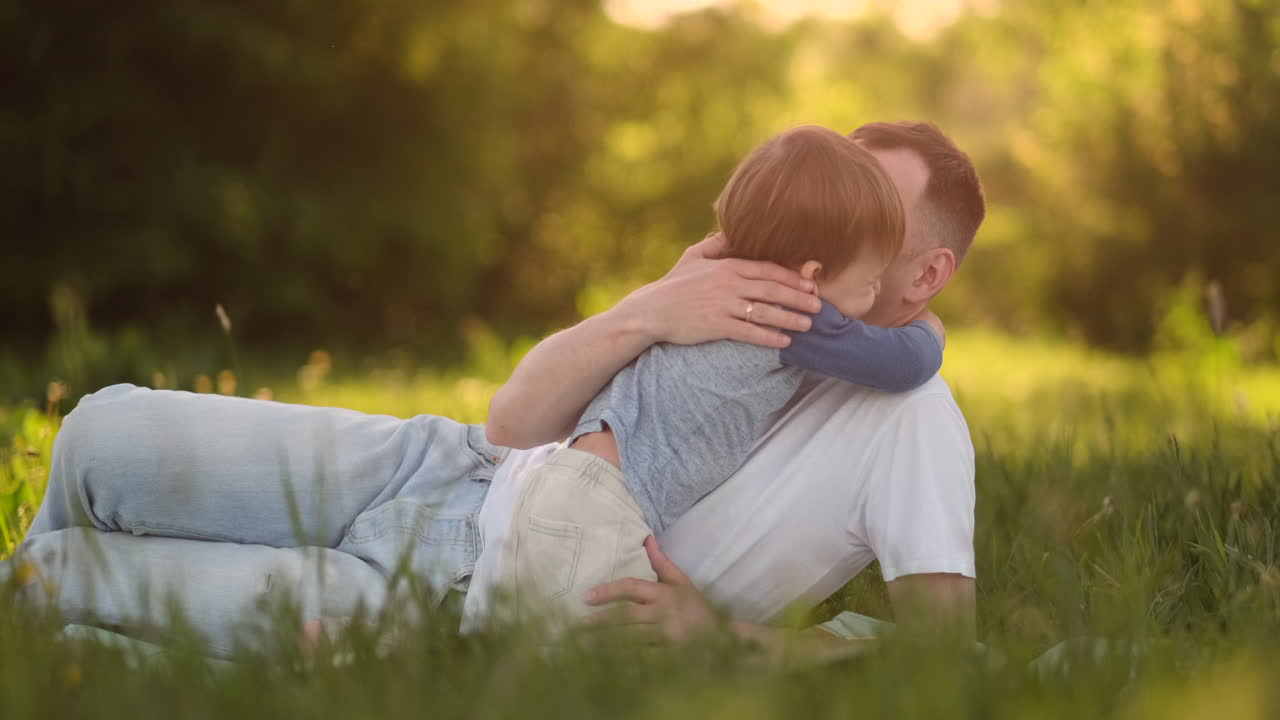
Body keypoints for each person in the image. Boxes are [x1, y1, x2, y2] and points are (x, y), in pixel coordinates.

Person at [5, 120, 984, 661]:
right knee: (99, 434)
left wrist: (722, 638)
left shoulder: (909, 416)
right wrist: (649, 308)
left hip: (462, 591)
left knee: (49, 578)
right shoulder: (741, 293)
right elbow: (512, 419)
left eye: (872, 215)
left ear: (923, 272)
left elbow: (944, 652)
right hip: (449, 463)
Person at [485, 125, 944, 628]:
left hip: (559, 486)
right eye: (870, 281)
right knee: (611, 668)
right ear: (811, 276)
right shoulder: (787, 313)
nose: (874, 297)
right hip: (602, 510)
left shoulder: (712, 284)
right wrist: (932, 327)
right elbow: (902, 366)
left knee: (520, 643)